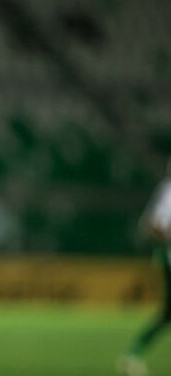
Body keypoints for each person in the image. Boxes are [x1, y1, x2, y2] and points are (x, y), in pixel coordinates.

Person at [118, 158, 171, 376]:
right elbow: (151, 224)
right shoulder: (168, 192)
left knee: (168, 313)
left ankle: (133, 353)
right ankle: (133, 353)